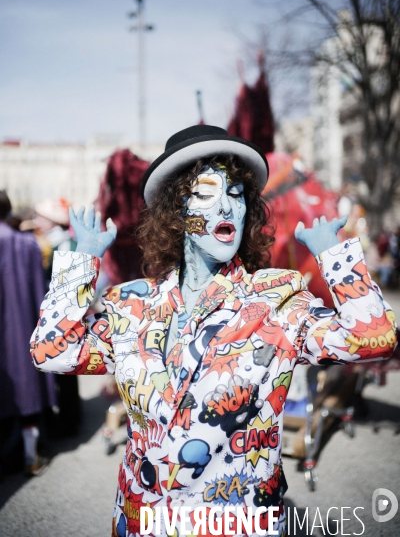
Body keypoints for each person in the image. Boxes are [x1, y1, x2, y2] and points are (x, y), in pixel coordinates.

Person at [30, 126, 397, 536]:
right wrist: (80, 265)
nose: (226, 207)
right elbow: (52, 352)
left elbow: (373, 337)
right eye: (206, 193)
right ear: (176, 211)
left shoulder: (276, 299)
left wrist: (336, 254)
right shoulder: (130, 305)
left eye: (237, 195)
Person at [0, 190, 56, 475]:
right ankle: (30, 457)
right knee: (27, 395)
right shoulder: (27, 244)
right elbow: (40, 291)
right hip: (23, 329)